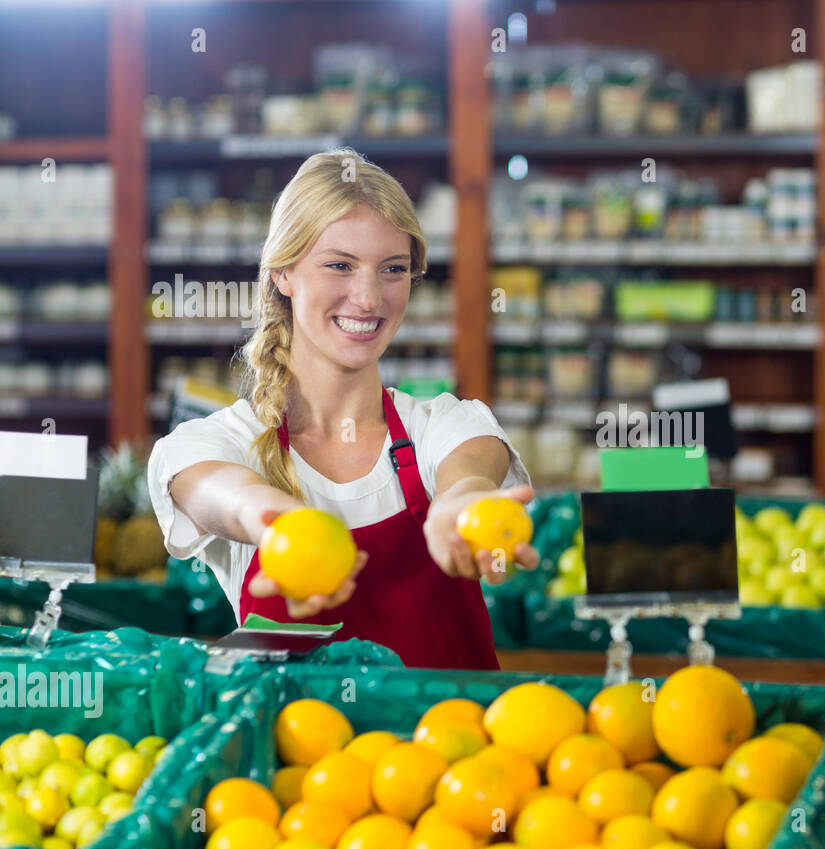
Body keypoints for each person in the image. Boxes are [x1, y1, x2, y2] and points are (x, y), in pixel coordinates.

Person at [147, 149, 538, 669]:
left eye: (393, 270)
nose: (369, 297)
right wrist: (280, 525)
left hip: (449, 746)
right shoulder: (213, 444)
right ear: (283, 273)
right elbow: (232, 499)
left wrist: (458, 509)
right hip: (302, 748)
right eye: (339, 265)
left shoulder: (445, 424)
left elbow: (467, 477)